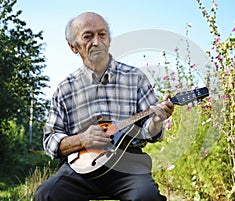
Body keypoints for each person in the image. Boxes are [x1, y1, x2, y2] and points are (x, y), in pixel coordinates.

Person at [34, 12, 174, 201]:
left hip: (129, 165)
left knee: (146, 196)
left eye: (102, 34)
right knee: (46, 194)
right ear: (72, 46)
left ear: (109, 40)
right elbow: (51, 141)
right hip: (80, 169)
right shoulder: (65, 88)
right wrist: (82, 139)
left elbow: (151, 133)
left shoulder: (136, 78)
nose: (97, 42)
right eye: (87, 36)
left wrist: (156, 121)